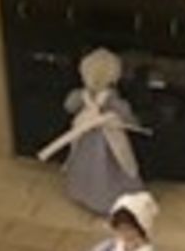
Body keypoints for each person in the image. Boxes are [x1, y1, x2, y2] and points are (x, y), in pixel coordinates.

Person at [38, 48, 146, 216]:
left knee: (89, 164)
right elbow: (126, 114)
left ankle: (86, 193)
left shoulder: (82, 96)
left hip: (88, 138)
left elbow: (69, 106)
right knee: (113, 165)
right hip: (108, 139)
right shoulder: (111, 99)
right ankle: (108, 198)